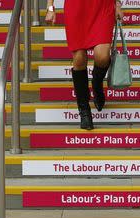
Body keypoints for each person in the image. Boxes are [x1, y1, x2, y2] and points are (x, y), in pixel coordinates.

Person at [45, 0, 124, 130]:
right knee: (79, 58)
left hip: (102, 7)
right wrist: (51, 8)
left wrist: (118, 5)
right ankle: (84, 110)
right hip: (76, 9)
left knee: (103, 56)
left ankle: (97, 83)